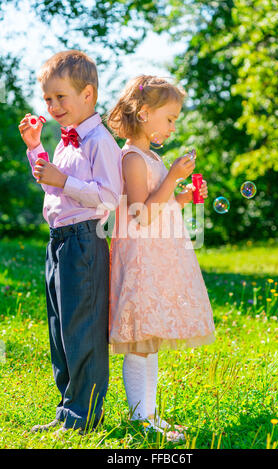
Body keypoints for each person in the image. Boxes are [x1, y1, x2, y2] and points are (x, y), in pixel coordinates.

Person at [18, 50, 123, 434]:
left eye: (60, 97)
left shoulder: (99, 141)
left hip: (84, 241)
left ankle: (85, 417)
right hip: (58, 240)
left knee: (82, 329)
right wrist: (35, 147)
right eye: (47, 99)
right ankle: (67, 409)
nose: (52, 105)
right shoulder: (66, 141)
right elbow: (52, 181)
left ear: (88, 94)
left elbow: (109, 197)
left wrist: (65, 181)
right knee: (60, 330)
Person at [107, 75, 215, 442]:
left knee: (149, 340)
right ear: (144, 112)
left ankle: (149, 415)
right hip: (139, 261)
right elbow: (142, 213)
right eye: (169, 119)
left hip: (155, 258)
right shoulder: (132, 158)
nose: (173, 127)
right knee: (139, 340)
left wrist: (182, 196)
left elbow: (160, 203)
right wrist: (172, 176)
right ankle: (140, 420)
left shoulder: (151, 157)